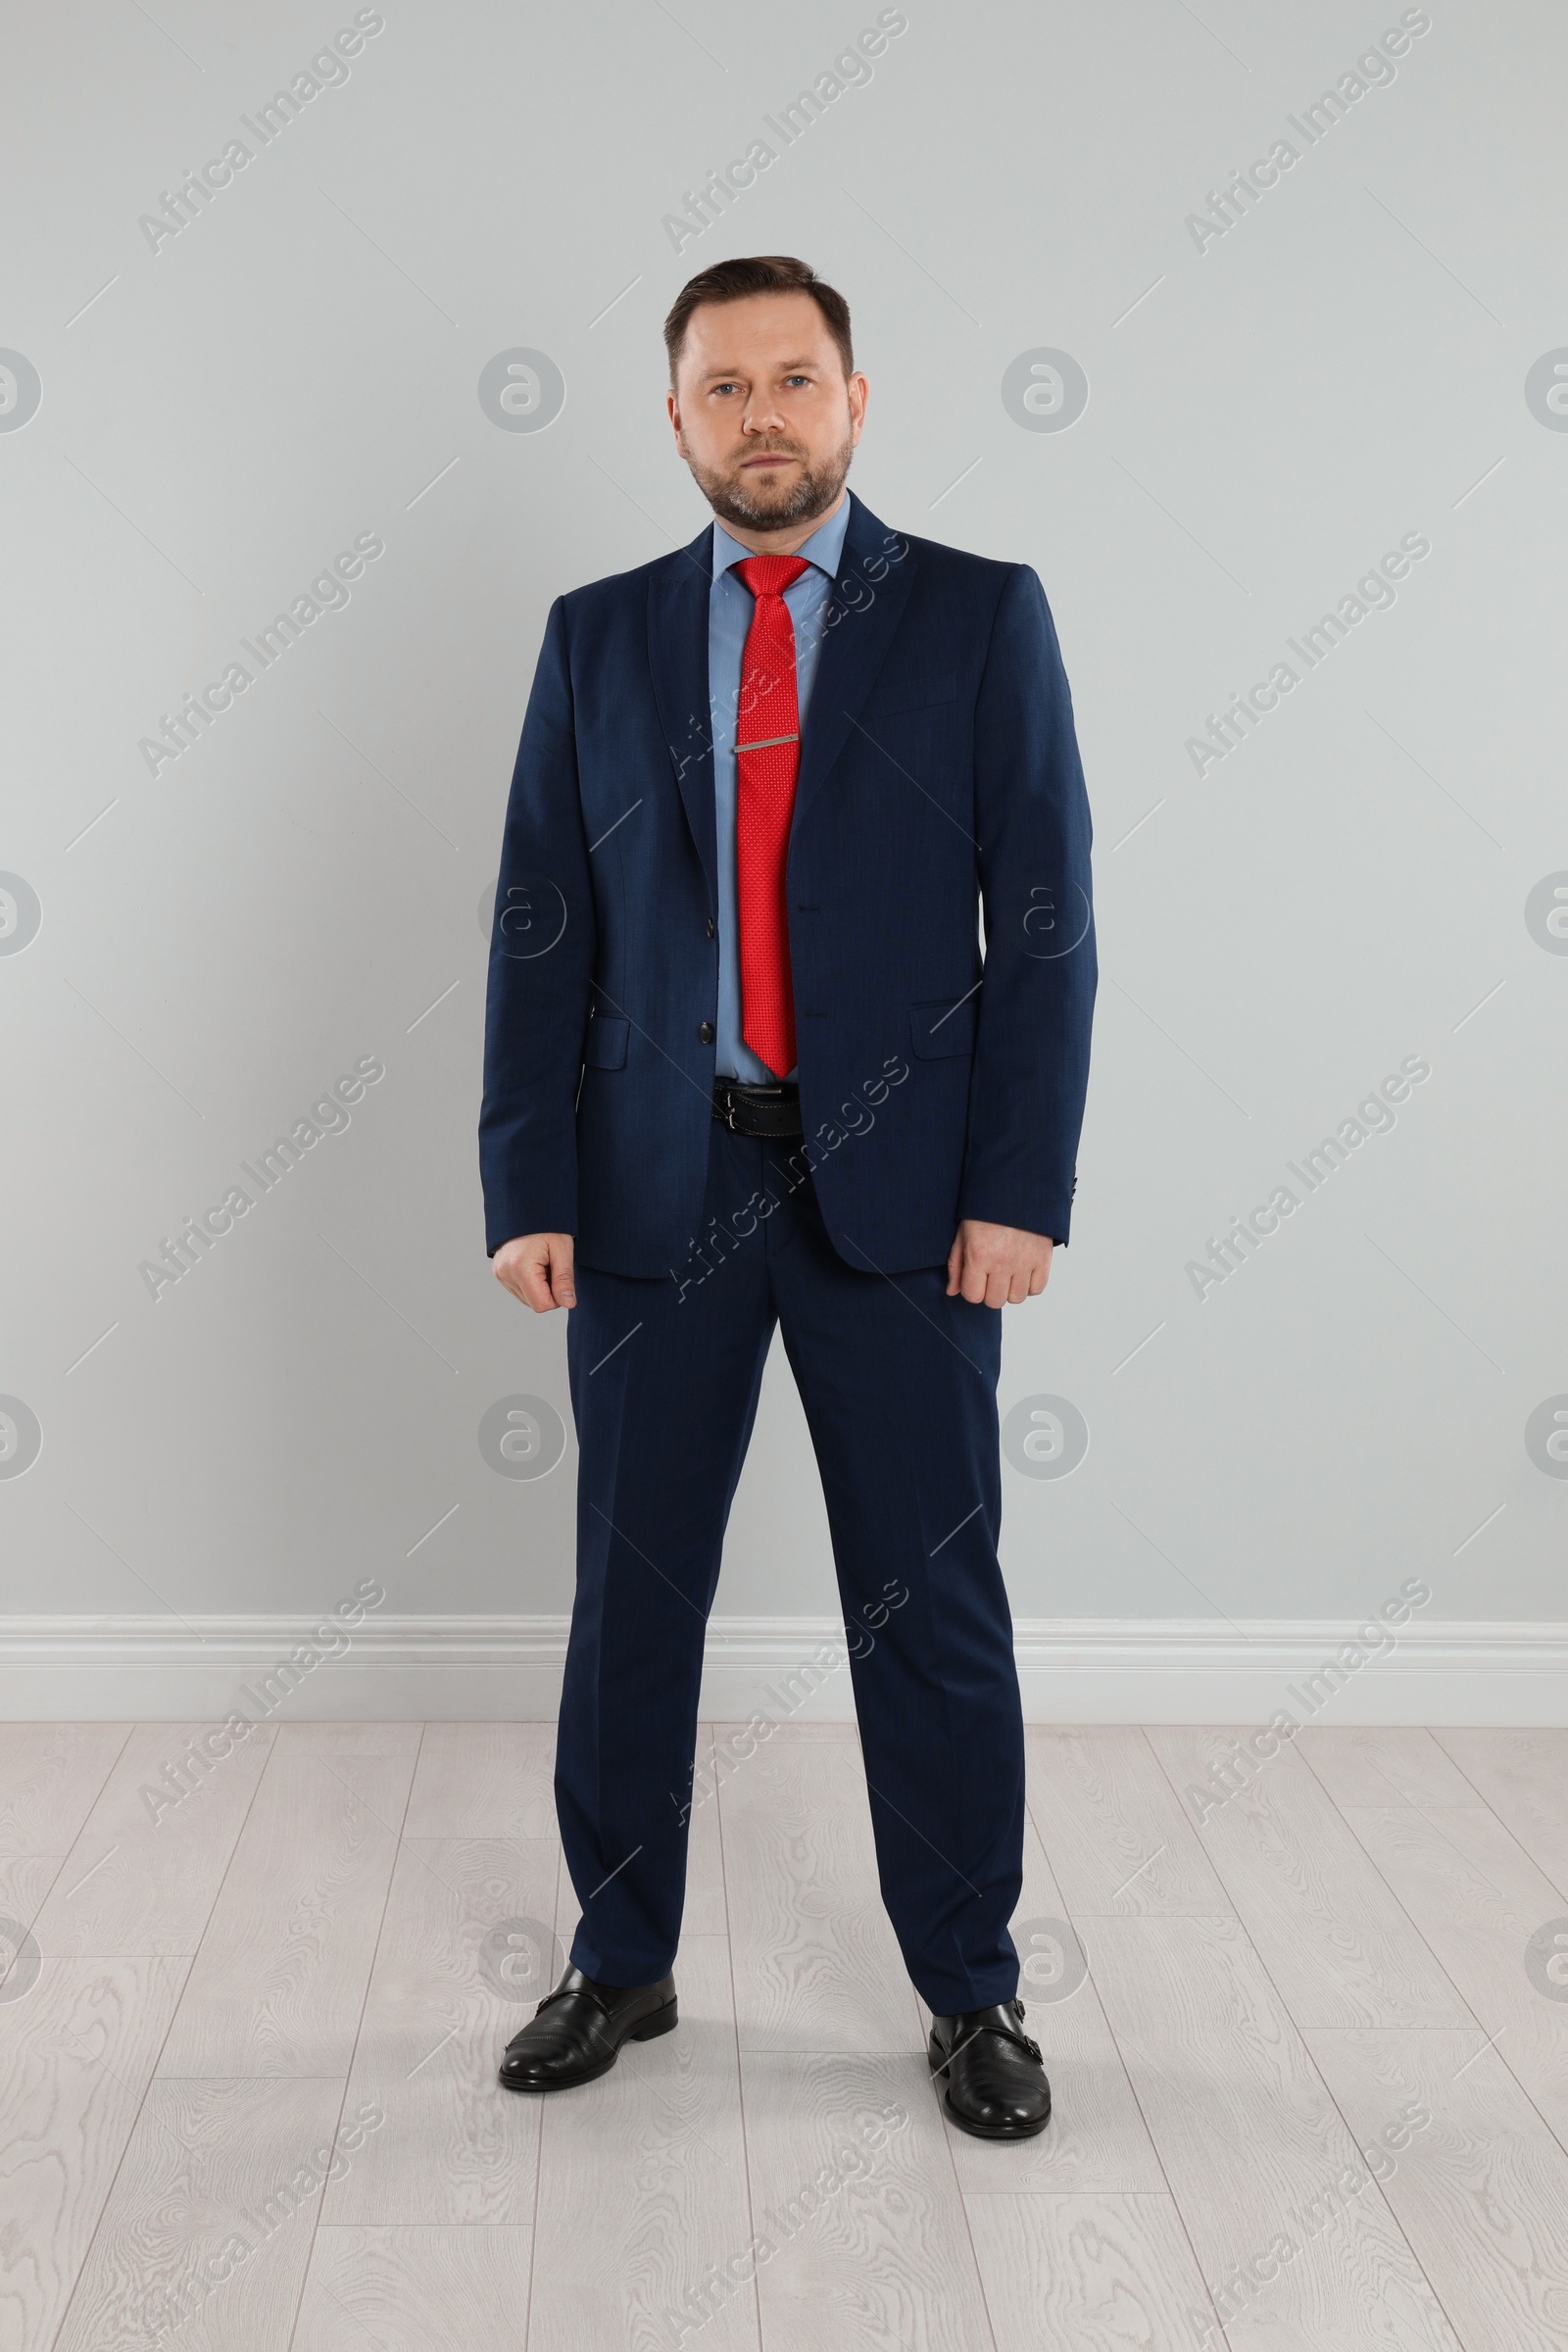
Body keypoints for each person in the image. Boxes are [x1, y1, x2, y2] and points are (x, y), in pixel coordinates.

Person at [478, 255, 1095, 2139]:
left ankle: (974, 1993)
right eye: (723, 386)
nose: (763, 414)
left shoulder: (981, 619)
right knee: (625, 1606)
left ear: (855, 397)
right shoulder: (596, 637)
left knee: (933, 1609)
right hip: (659, 1197)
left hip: (909, 1218)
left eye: (795, 378)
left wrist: (1021, 1188)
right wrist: (525, 1179)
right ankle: (620, 1957)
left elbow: (1050, 925)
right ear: (676, 418)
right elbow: (537, 923)